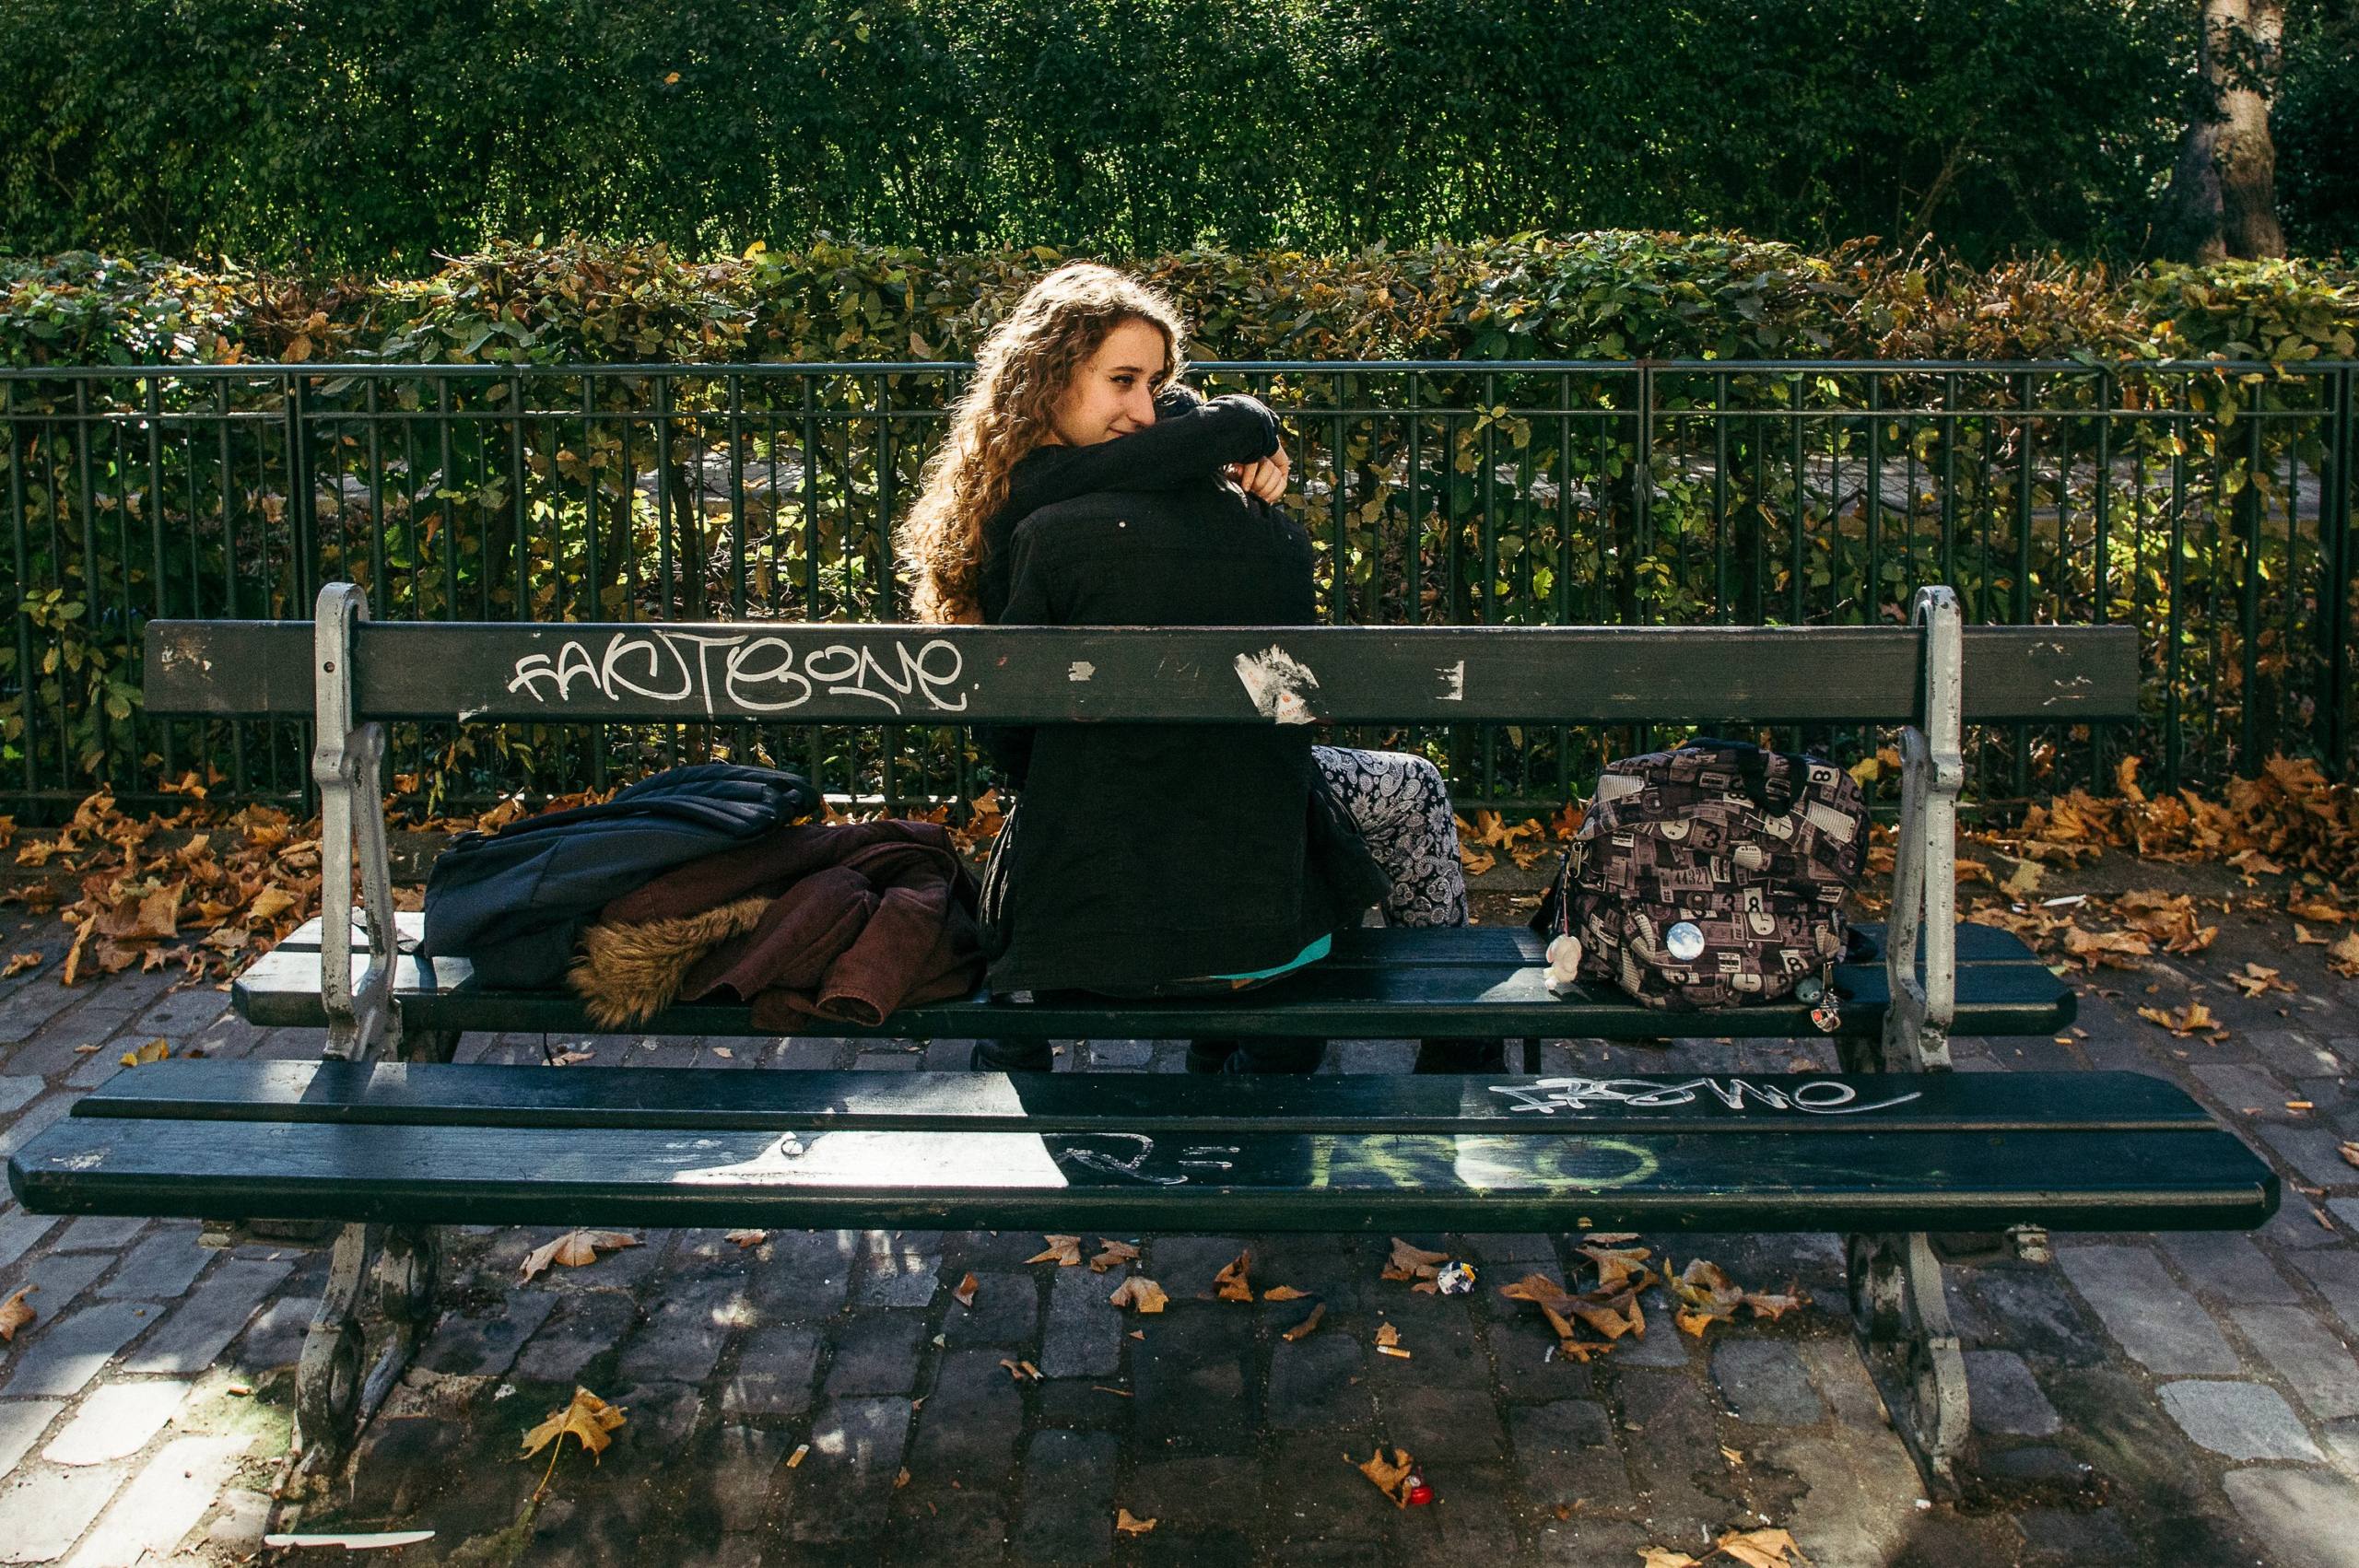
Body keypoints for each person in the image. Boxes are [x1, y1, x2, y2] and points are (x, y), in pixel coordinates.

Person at [899, 262, 1493, 1073]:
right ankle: (1460, 1047)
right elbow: (1290, 700)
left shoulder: (1011, 490)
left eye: (1156, 385)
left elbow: (1007, 738)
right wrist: (1241, 424)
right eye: (1121, 381)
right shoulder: (1055, 496)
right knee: (1403, 787)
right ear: (1046, 377)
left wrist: (1216, 431)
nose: (1142, 411)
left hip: (1075, 794)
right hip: (1151, 792)